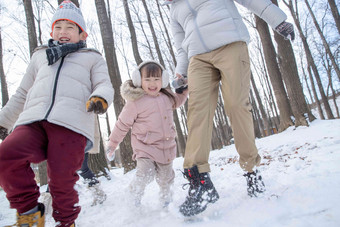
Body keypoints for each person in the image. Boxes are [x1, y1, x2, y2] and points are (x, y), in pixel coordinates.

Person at [163, 0, 295, 216]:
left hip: (230, 43)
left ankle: (251, 169)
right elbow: (180, 45)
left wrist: (277, 19)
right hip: (198, 58)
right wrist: (181, 72)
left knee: (236, 105)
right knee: (197, 112)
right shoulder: (174, 8)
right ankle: (200, 180)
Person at [0, 1, 114, 226]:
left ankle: (66, 222)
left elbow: (104, 83)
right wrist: (4, 121)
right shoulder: (40, 56)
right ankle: (30, 215)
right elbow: (22, 93)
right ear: (52, 32)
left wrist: (100, 98)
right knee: (6, 156)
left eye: (70, 27)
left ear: (82, 34)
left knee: (61, 179)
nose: (63, 32)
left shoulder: (92, 57)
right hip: (33, 122)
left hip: (70, 123)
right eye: (58, 27)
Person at [106, 60, 188, 208]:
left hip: (166, 147)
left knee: (166, 178)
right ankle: (133, 197)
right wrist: (112, 144)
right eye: (147, 79)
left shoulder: (167, 97)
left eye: (156, 79)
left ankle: (166, 202)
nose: (152, 83)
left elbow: (179, 100)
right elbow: (122, 124)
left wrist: (183, 90)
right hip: (145, 147)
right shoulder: (135, 102)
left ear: (163, 80)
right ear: (139, 80)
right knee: (145, 173)